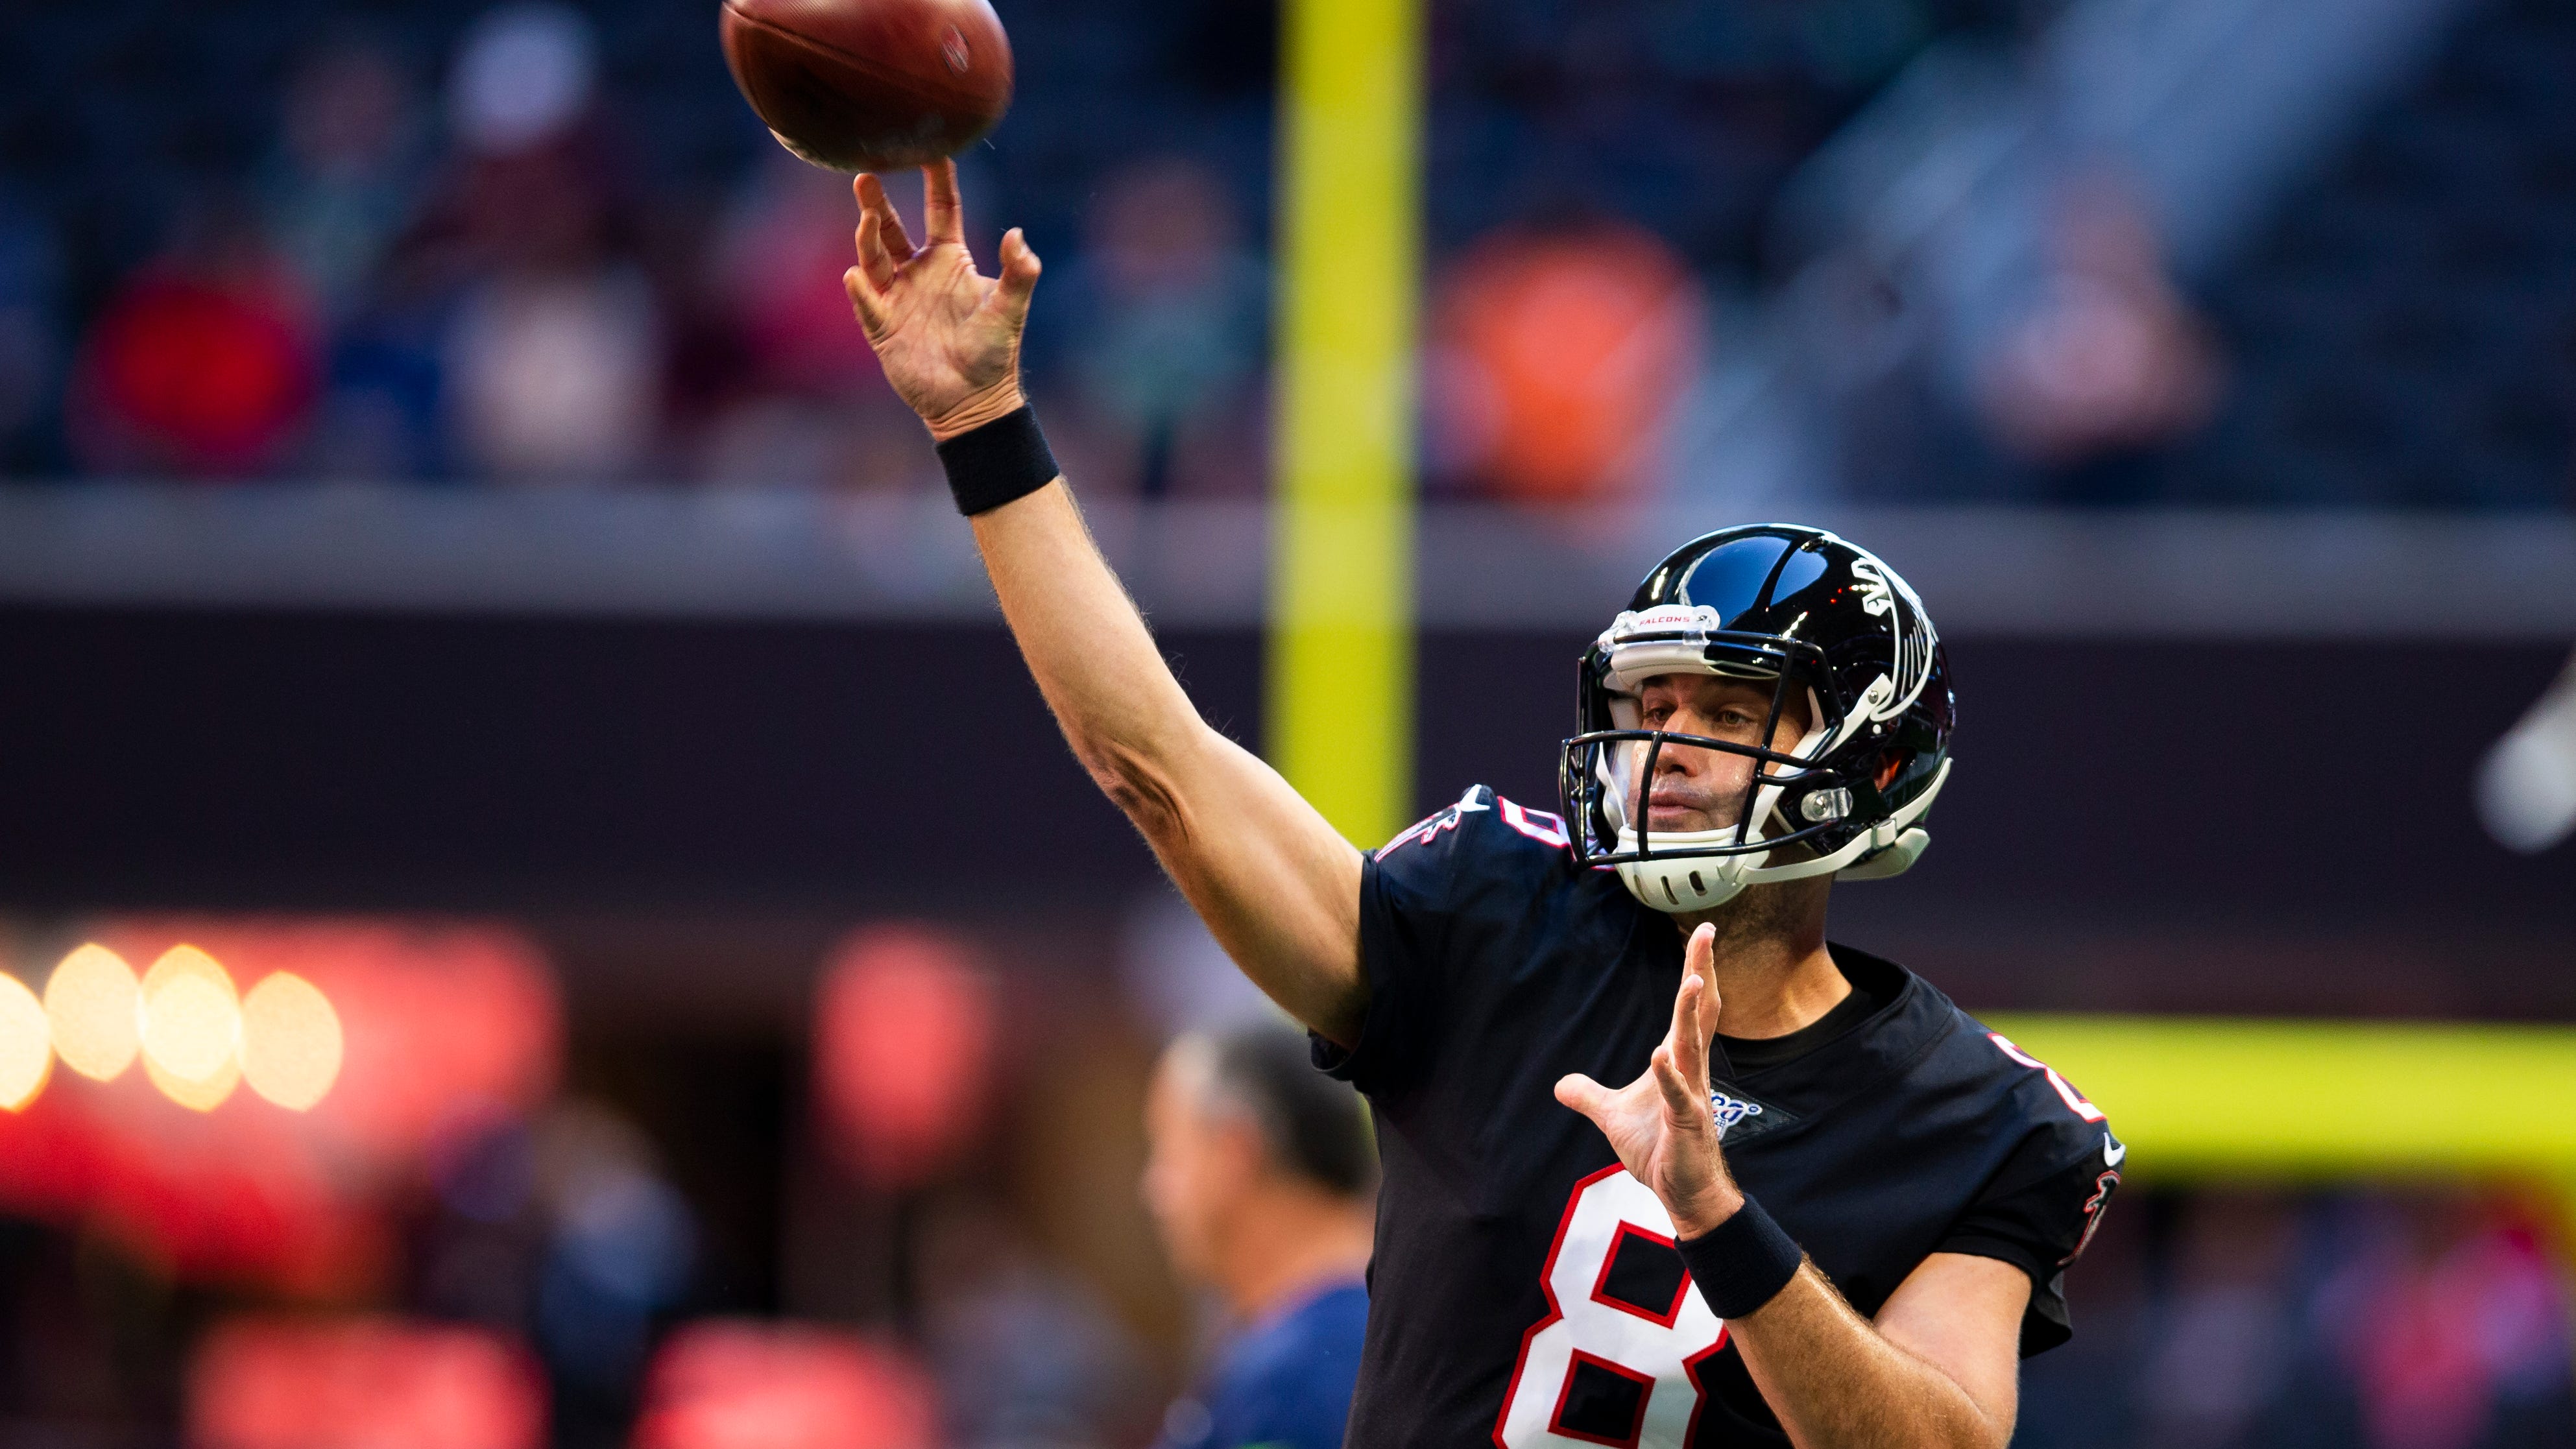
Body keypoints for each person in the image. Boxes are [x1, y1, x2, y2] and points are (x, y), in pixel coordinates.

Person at [841, 161, 2124, 1448]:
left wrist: (1718, 1221)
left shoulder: (1979, 1118)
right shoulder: (1498, 916)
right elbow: (1158, 770)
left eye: (1726, 716)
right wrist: (982, 419)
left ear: (1870, 762)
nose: (1667, 748)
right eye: (1650, 709)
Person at [1141, 1024, 1374, 1449]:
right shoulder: (1372, 1328)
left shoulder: (1297, 1376)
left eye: (1167, 1152)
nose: (1153, 1190)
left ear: (1234, 1151)